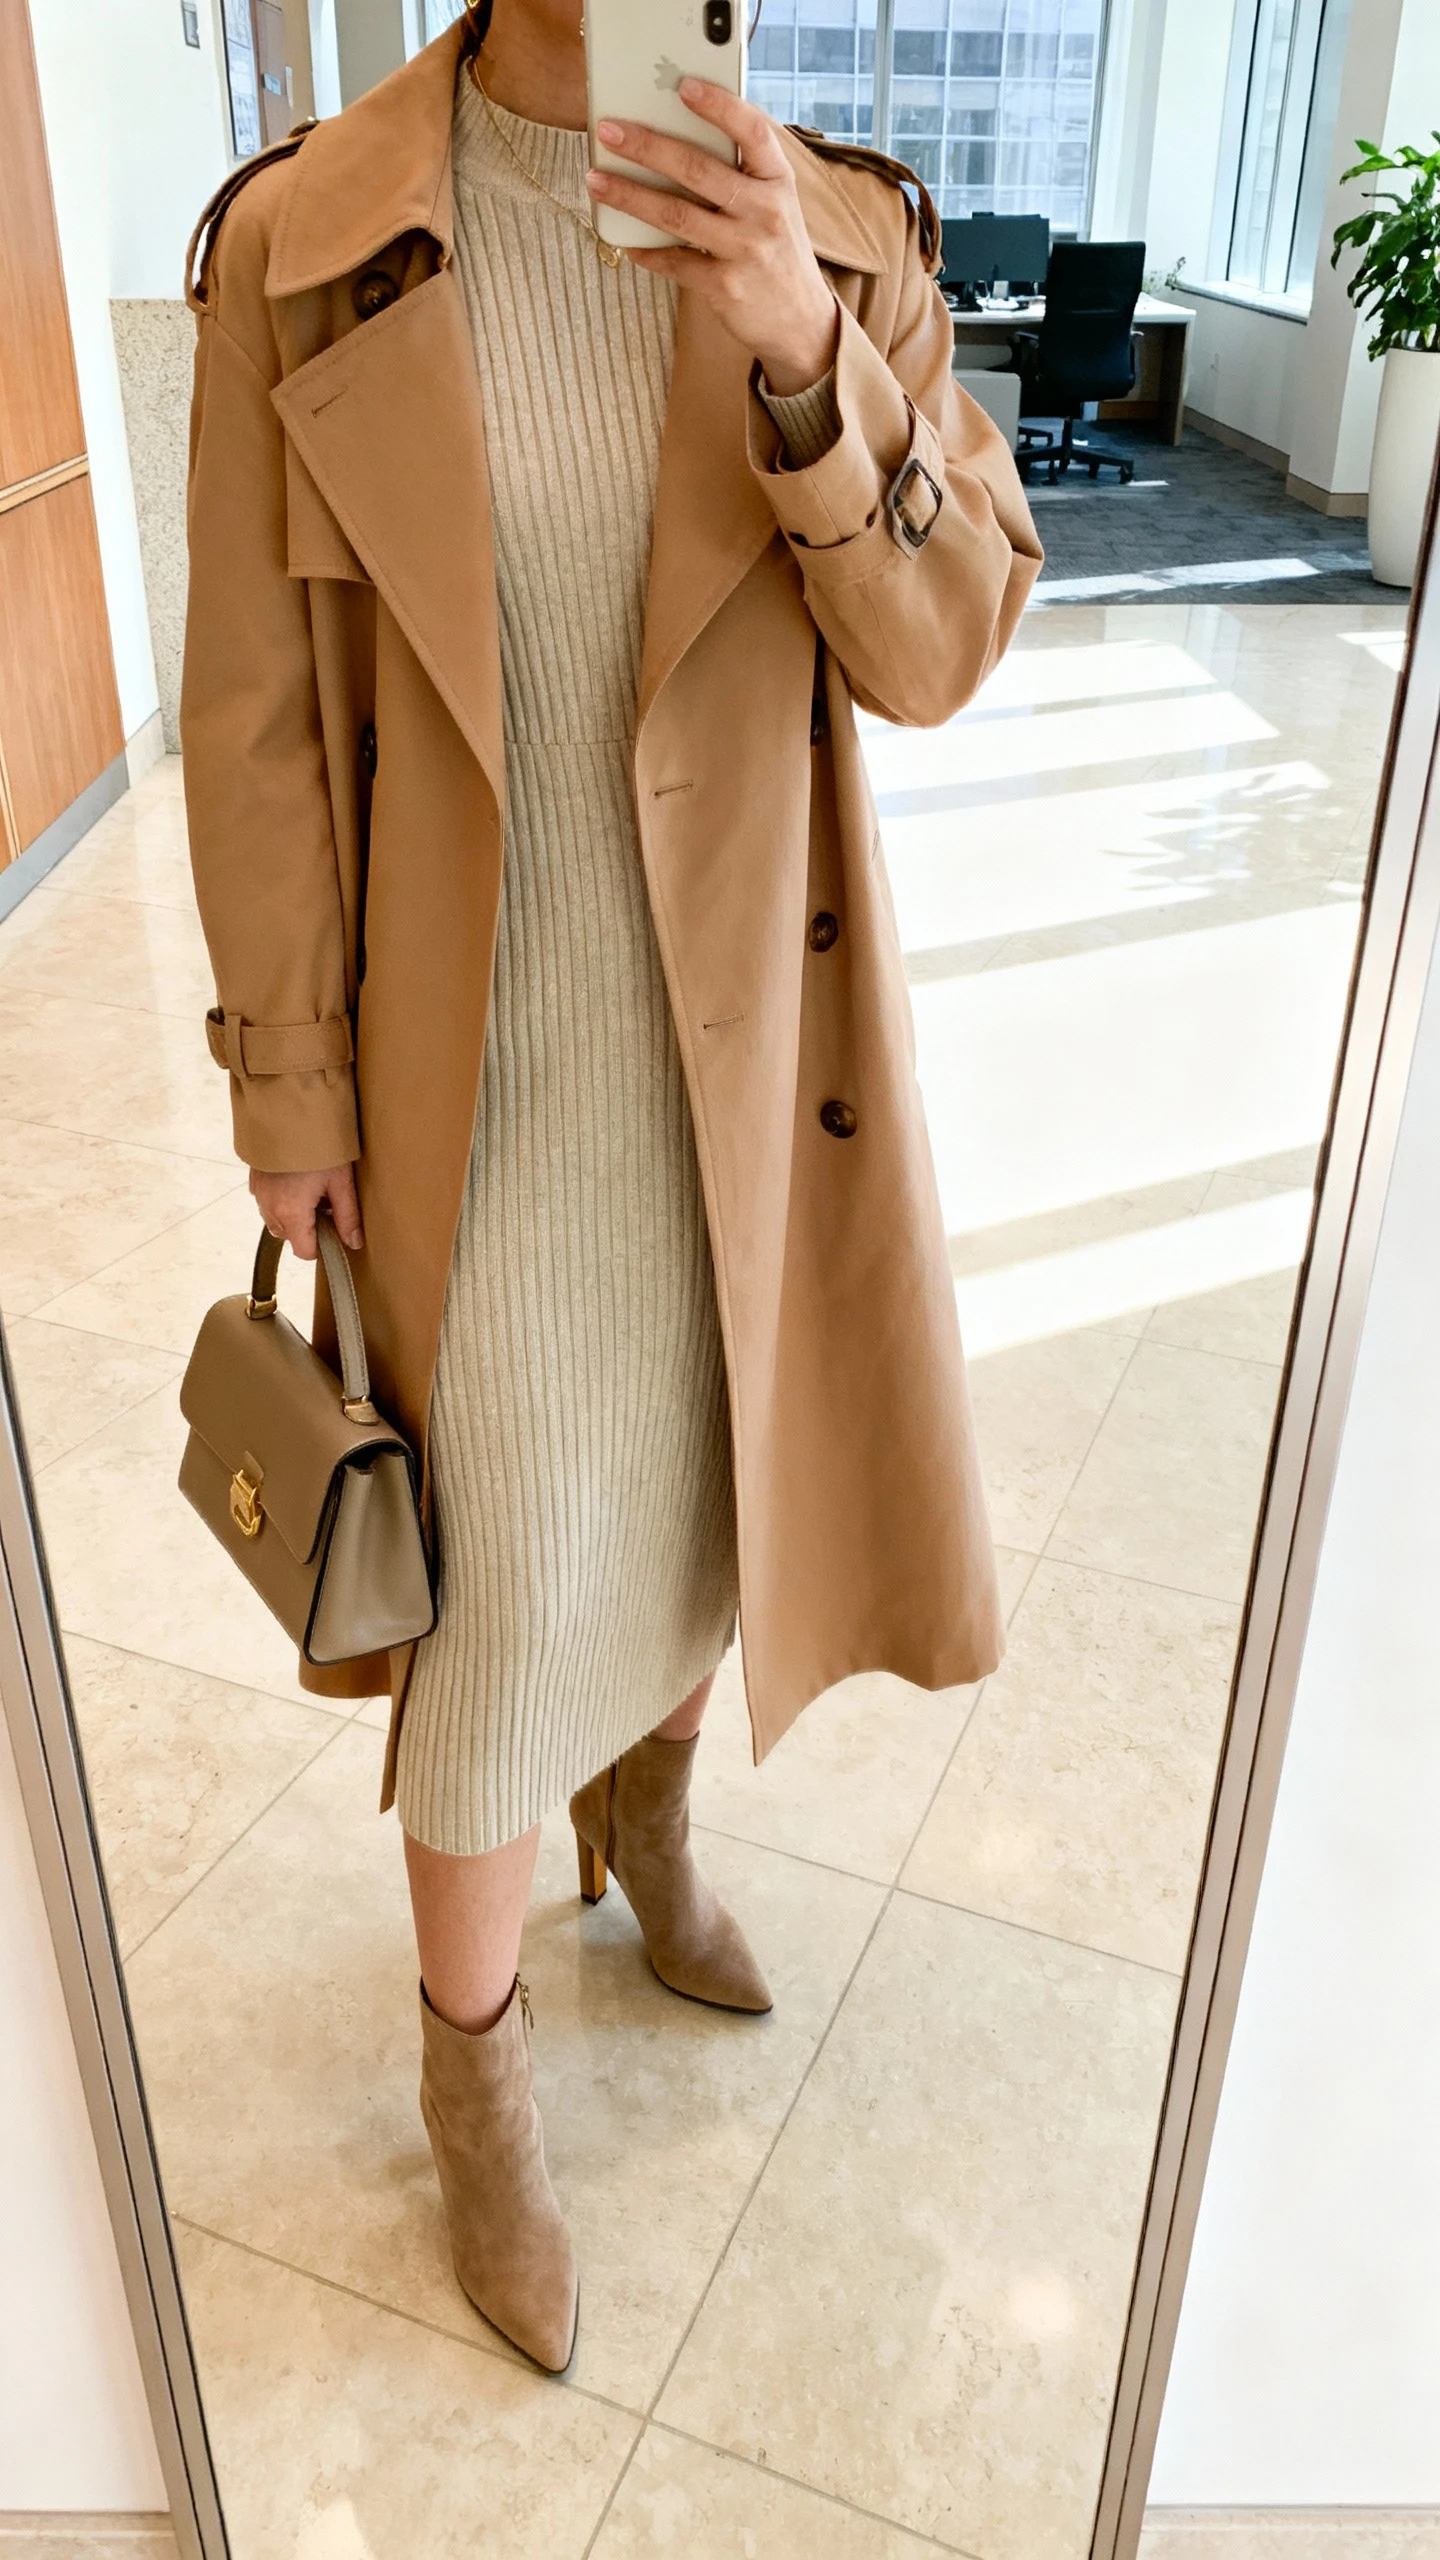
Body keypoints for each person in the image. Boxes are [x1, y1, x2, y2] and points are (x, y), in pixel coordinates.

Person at [180, 0, 1040, 2378]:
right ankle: (478, 2080)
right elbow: (250, 714)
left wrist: (799, 359)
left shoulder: (845, 238)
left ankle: (645, 1822)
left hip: (742, 1056)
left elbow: (947, 643)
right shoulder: (307, 240)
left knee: (687, 1497)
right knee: (490, 1585)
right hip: (475, 1066)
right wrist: (288, 1071)